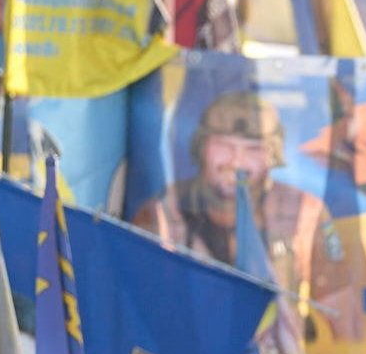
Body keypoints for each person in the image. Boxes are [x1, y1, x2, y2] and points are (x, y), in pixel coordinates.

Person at [132, 92, 351, 313]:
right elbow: (136, 310)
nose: (237, 162)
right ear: (201, 147)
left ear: (274, 154)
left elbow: (341, 313)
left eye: (254, 149)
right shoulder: (162, 210)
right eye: (223, 145)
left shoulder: (305, 211)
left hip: (272, 344)